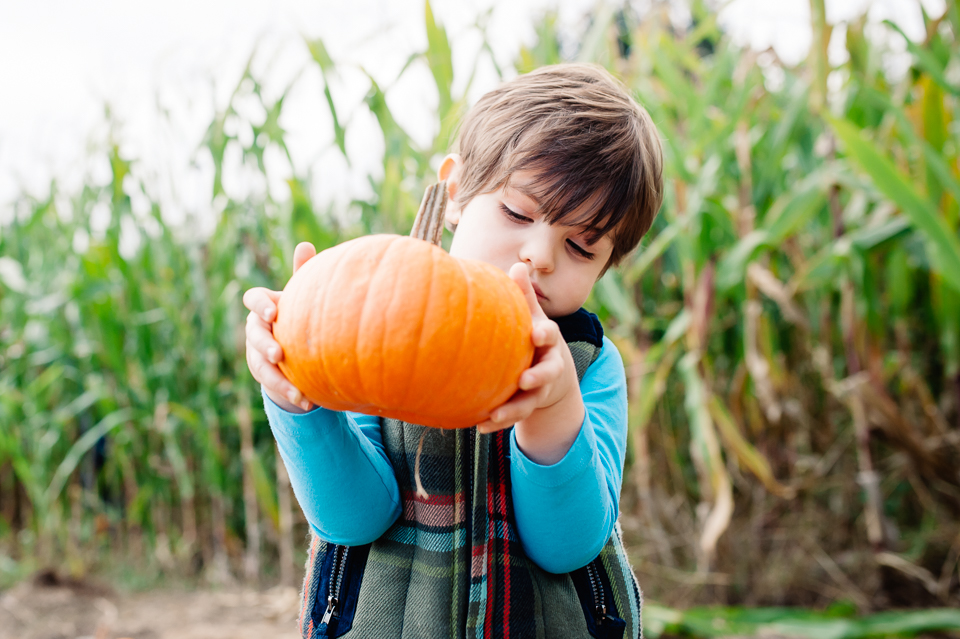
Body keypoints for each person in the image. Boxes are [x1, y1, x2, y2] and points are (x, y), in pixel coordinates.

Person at [243, 62, 663, 639]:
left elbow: (567, 545)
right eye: (517, 212)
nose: (540, 254)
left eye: (581, 247)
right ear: (457, 190)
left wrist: (553, 407)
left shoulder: (590, 363)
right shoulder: (381, 324)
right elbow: (354, 517)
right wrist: (298, 394)